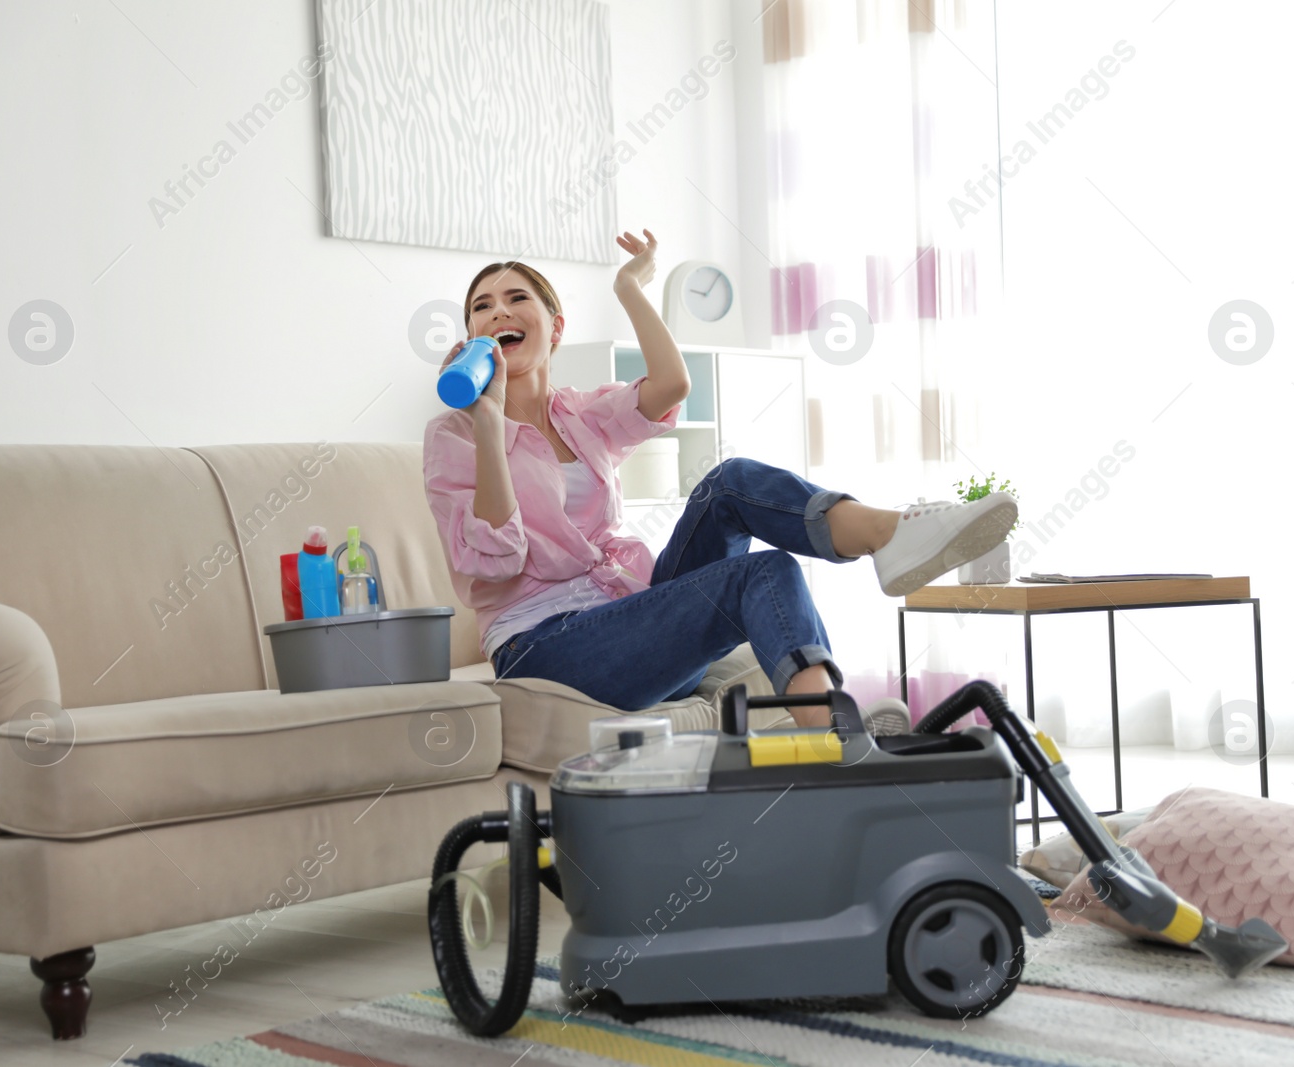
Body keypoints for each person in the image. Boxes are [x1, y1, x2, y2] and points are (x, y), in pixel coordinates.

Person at [422, 230, 1017, 730]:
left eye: (515, 297)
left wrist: (630, 289)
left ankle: (888, 537)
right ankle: (839, 741)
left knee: (729, 483)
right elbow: (495, 561)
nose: (497, 310)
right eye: (481, 305)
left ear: (553, 327)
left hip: (630, 613)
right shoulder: (455, 435)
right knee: (764, 570)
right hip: (541, 648)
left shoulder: (581, 414)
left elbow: (671, 387)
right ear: (473, 335)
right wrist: (489, 420)